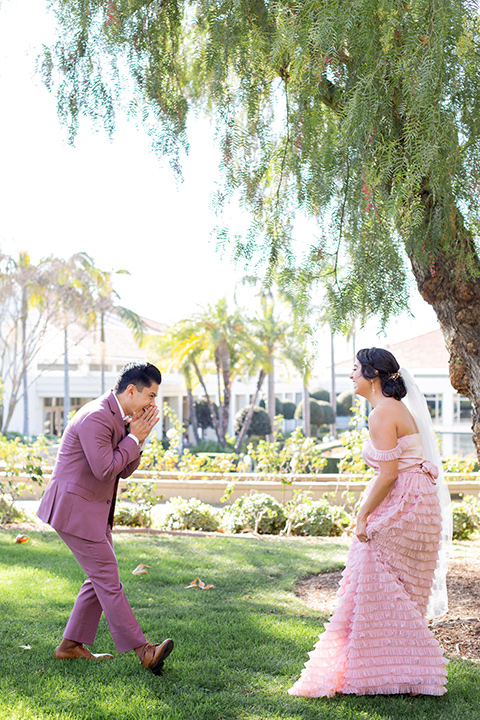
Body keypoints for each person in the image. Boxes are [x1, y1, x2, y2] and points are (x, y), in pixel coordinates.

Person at [288, 347, 452, 697]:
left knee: (374, 575)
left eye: (355, 369)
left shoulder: (381, 414)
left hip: (405, 502)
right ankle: (403, 674)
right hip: (419, 502)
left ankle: (403, 669)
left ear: (372, 375)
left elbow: (389, 473)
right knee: (401, 590)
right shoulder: (394, 409)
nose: (351, 376)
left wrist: (363, 515)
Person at [37, 361, 174, 675]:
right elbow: (104, 468)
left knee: (98, 579)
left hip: (91, 510)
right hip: (75, 510)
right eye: (150, 396)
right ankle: (144, 652)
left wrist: (137, 437)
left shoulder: (117, 416)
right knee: (108, 580)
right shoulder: (97, 416)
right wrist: (134, 438)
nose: (153, 404)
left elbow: (121, 469)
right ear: (130, 390)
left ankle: (70, 646)